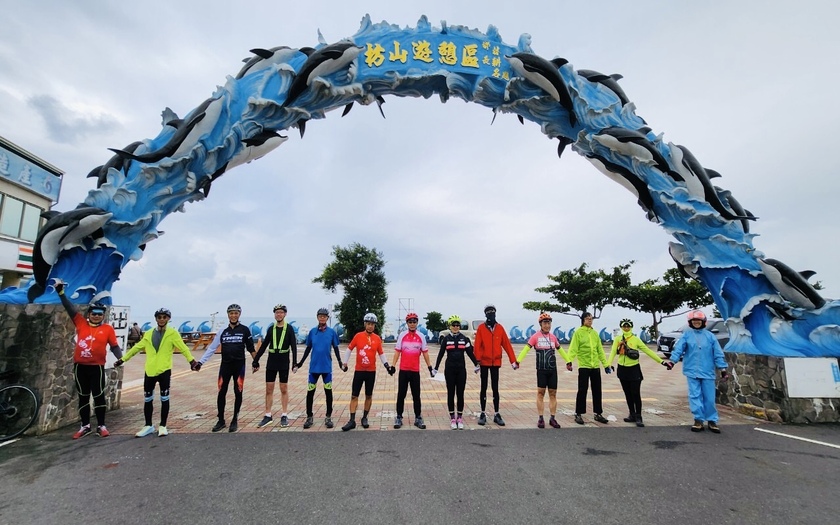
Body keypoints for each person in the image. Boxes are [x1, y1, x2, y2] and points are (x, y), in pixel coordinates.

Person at [54, 280, 122, 439]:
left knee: (99, 395)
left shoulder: (108, 329)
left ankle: (101, 425)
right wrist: (61, 292)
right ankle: (85, 426)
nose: (97, 316)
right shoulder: (81, 323)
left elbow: (114, 346)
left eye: (99, 314)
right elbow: (69, 308)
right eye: (94, 313)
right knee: (83, 396)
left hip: (96, 367)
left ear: (103, 316)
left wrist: (121, 358)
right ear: (89, 314)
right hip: (80, 367)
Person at [115, 307, 197, 437]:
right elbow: (136, 348)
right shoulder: (148, 334)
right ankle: (148, 426)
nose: (162, 319)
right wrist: (122, 359)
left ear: (168, 319)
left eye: (165, 317)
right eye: (159, 317)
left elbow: (183, 348)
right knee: (148, 399)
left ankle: (163, 425)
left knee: (164, 398)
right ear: (156, 319)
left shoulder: (173, 333)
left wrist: (192, 361)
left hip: (164, 371)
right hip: (150, 371)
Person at [663, 310, 729, 433]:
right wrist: (672, 361)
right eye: (694, 321)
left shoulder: (710, 336)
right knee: (694, 396)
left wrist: (723, 369)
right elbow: (678, 349)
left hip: (707, 371)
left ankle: (712, 421)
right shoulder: (686, 335)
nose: (696, 323)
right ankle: (698, 420)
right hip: (691, 371)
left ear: (703, 322)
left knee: (709, 397)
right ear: (690, 322)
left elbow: (718, 354)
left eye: (698, 321)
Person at [195, 303, 256, 433]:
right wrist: (200, 362)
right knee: (221, 392)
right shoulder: (223, 331)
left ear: (239, 314)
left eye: (236, 313)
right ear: (228, 315)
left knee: (238, 391)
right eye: (231, 313)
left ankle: (235, 419)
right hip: (225, 366)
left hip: (239, 366)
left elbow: (251, 348)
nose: (233, 315)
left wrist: (256, 362)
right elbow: (212, 348)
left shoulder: (245, 330)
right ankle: (221, 420)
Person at [606, 318, 672, 428]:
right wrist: (608, 364)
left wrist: (662, 362)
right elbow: (613, 352)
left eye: (628, 326)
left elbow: (648, 351)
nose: (626, 328)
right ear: (621, 327)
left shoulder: (636, 339)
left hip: (634, 369)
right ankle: (631, 414)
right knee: (627, 393)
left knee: (635, 393)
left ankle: (638, 416)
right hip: (622, 369)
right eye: (624, 326)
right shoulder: (618, 339)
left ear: (631, 327)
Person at [516, 313, 570, 429]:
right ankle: (540, 418)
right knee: (541, 393)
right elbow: (526, 349)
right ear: (540, 324)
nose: (547, 325)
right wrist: (518, 361)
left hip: (552, 370)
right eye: (545, 323)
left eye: (549, 323)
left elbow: (560, 350)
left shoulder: (553, 337)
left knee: (553, 393)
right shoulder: (535, 337)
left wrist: (568, 361)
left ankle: (552, 418)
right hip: (541, 370)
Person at [340, 313, 391, 431]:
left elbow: (381, 353)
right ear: (365, 324)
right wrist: (345, 363)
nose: (370, 326)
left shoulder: (377, 339)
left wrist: (387, 366)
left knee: (369, 395)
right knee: (354, 396)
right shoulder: (358, 336)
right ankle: (352, 420)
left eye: (372, 324)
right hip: (359, 371)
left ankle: (364, 417)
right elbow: (349, 349)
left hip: (371, 372)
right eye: (368, 324)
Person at [296, 308, 344, 429]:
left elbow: (336, 348)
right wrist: (300, 363)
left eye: (324, 316)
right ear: (317, 317)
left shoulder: (332, 332)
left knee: (328, 392)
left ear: (327, 318)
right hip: (313, 369)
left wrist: (340, 362)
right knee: (310, 393)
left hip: (326, 368)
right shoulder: (312, 332)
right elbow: (308, 349)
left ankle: (328, 416)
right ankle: (309, 416)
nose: (322, 318)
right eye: (320, 316)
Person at [252, 304, 298, 428]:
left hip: (283, 361)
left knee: (283, 388)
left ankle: (284, 414)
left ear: (285, 314)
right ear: (274, 314)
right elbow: (264, 345)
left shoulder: (289, 329)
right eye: (277, 313)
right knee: (269, 389)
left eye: (281, 312)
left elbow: (293, 347)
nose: (279, 314)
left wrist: (295, 362)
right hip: (272, 361)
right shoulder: (271, 329)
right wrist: (256, 360)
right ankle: (268, 415)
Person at [473, 304, 518, 426]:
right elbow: (477, 345)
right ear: (485, 314)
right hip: (484, 362)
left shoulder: (500, 328)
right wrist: (476, 361)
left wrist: (513, 360)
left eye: (492, 312)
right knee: (483, 387)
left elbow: (507, 345)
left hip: (496, 362)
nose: (490, 314)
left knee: (495, 388)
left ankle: (497, 414)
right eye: (488, 313)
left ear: (495, 313)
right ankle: (482, 413)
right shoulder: (481, 328)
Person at [434, 315, 479, 430]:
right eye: (453, 325)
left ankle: (459, 417)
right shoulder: (446, 339)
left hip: (461, 370)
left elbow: (470, 353)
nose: (455, 327)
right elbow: (440, 354)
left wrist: (476, 364)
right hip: (449, 369)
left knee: (460, 393)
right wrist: (435, 368)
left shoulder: (465, 339)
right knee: (450, 393)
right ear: (450, 326)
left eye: (457, 325)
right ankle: (452, 418)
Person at [390, 312, 432, 429]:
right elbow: (397, 351)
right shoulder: (402, 335)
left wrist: (429, 367)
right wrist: (393, 365)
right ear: (407, 323)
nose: (412, 324)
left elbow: (425, 353)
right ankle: (399, 417)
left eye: (414, 322)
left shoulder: (421, 336)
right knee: (401, 394)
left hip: (415, 371)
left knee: (416, 395)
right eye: (410, 322)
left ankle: (418, 417)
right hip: (403, 370)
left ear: (417, 323)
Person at [567, 312, 610, 425]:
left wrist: (605, 365)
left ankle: (598, 413)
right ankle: (578, 413)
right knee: (582, 390)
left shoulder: (595, 333)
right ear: (583, 320)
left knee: (597, 390)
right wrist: (569, 360)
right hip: (584, 366)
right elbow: (573, 348)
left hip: (595, 366)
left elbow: (600, 350)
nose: (590, 321)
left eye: (591, 319)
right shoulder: (578, 333)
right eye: (587, 319)